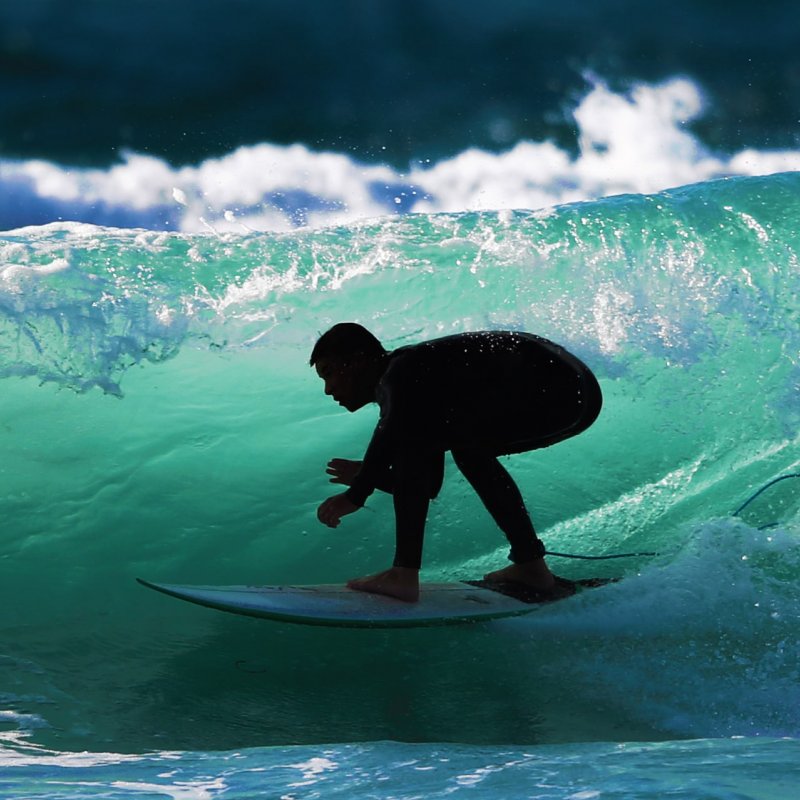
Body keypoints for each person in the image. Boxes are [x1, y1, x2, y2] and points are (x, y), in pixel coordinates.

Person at [311, 323, 602, 603]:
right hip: (577, 393)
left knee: (457, 447)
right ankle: (531, 567)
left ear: (359, 360)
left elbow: (390, 433)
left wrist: (356, 493)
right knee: (464, 448)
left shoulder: (399, 373)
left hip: (559, 387)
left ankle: (404, 574)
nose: (327, 389)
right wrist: (370, 478)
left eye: (329, 372)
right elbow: (426, 483)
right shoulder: (418, 384)